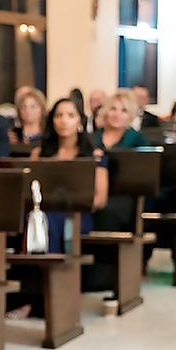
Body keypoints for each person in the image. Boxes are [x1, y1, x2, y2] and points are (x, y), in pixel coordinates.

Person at [31, 98, 108, 252]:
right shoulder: (40, 153)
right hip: (46, 211)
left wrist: (74, 204)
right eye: (58, 116)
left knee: (59, 221)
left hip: (78, 214)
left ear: (79, 121)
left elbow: (100, 199)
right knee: (44, 219)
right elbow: (31, 189)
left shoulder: (93, 155)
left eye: (70, 115)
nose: (64, 121)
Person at [91, 90, 147, 233]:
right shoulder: (92, 138)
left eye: (123, 110)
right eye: (113, 109)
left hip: (125, 196)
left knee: (108, 211)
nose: (117, 114)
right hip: (94, 191)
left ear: (130, 116)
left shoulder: (137, 139)